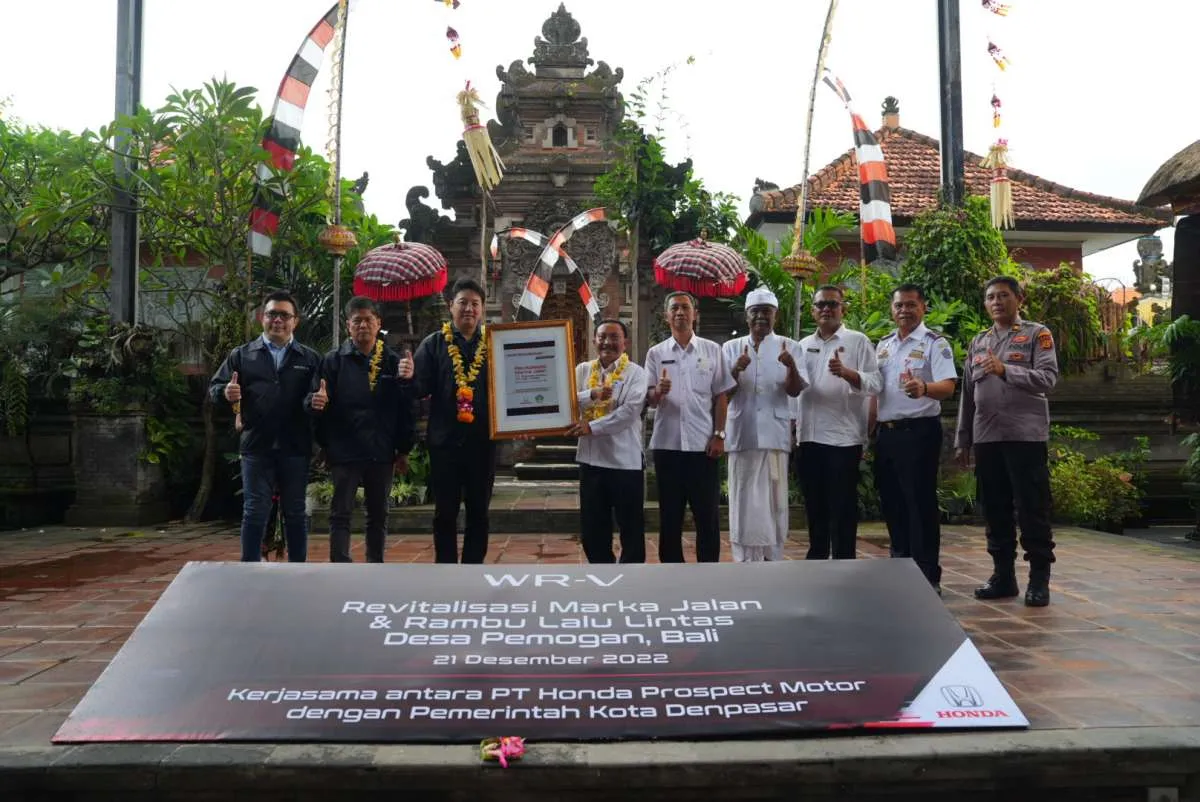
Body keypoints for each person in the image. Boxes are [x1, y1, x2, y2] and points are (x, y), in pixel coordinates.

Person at [955, 276, 1059, 607]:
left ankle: (1039, 580)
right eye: (990, 297)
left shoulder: (1036, 334)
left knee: (1032, 509)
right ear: (985, 304)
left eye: (1003, 295)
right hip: (987, 437)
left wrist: (1005, 371)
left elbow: (1048, 378)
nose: (997, 302)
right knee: (995, 509)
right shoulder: (978, 342)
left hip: (1024, 436)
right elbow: (968, 397)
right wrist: (963, 439)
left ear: (1019, 298)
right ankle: (1003, 577)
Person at [209, 290, 321, 562]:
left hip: (295, 446)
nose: (278, 320)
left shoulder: (309, 358)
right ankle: (249, 568)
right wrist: (225, 392)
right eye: (272, 314)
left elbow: (316, 395)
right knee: (254, 510)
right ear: (262, 318)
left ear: (296, 321)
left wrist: (316, 400)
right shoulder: (243, 355)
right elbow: (215, 388)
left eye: (285, 315)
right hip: (256, 446)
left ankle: (299, 570)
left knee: (295, 511)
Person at [307, 296, 415, 563]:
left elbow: (405, 408)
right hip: (345, 450)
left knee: (378, 515)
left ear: (379, 323)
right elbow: (316, 400)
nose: (363, 325)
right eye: (357, 321)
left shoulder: (392, 361)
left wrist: (404, 448)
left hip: (381, 450)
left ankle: (374, 565)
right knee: (340, 512)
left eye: (369, 320)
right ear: (348, 325)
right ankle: (340, 564)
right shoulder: (332, 362)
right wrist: (323, 442)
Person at [869, 283, 959, 592]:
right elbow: (874, 392)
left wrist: (924, 388)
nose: (904, 310)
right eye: (898, 306)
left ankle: (926, 575)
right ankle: (900, 565)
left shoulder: (935, 343)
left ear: (923, 308)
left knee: (919, 503)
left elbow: (948, 386)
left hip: (919, 433)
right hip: (886, 434)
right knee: (892, 502)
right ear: (892, 310)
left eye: (910, 305)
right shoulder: (883, 345)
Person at [644, 291, 736, 563]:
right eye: (675, 308)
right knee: (669, 514)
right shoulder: (656, 353)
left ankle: (708, 570)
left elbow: (721, 396)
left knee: (706, 514)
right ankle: (672, 571)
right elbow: (647, 399)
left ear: (695, 314)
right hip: (667, 446)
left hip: (702, 447)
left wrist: (719, 435)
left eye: (685, 307)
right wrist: (658, 392)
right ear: (666, 316)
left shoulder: (712, 350)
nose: (680, 312)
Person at [793, 285, 882, 561]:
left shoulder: (858, 341)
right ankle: (817, 558)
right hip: (808, 436)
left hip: (843, 438)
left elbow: (876, 383)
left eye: (832, 304)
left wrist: (847, 373)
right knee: (814, 504)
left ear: (843, 309)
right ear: (812, 310)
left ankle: (844, 561)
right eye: (821, 305)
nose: (826, 309)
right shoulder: (803, 345)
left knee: (842, 505)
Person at [413, 278, 495, 564]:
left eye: (475, 304)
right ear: (451, 306)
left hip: (482, 442)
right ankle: (445, 570)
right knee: (445, 512)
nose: (469, 309)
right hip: (444, 443)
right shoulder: (434, 344)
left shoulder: (496, 344)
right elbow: (418, 388)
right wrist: (407, 374)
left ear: (483, 309)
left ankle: (473, 569)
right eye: (463, 303)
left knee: (479, 511)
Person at [721, 287, 806, 562]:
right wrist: (736, 370)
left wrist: (791, 366)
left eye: (766, 312)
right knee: (743, 497)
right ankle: (745, 557)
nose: (760, 318)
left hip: (774, 435)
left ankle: (772, 555)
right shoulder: (731, 348)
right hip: (742, 433)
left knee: (774, 500)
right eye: (755, 312)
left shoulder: (790, 347)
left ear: (775, 316)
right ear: (746, 317)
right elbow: (722, 395)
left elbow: (794, 391)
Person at [567, 319, 648, 563]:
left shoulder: (636, 373)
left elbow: (628, 413)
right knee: (592, 532)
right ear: (594, 340)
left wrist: (590, 426)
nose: (608, 342)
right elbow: (567, 399)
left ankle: (629, 582)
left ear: (625, 342)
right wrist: (591, 394)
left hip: (626, 463)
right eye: (602, 337)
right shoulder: (582, 370)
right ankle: (602, 578)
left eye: (614, 337)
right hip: (591, 461)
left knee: (631, 530)